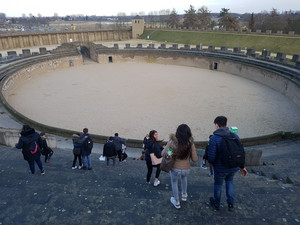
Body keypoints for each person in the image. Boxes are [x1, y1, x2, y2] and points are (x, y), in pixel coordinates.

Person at [207, 116, 248, 212]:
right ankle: (230, 204)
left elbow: (212, 156)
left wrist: (211, 163)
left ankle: (216, 203)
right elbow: (240, 152)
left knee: (218, 184)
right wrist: (242, 166)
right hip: (233, 166)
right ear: (227, 125)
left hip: (220, 168)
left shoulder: (214, 138)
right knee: (230, 182)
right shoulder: (235, 136)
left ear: (216, 125)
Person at [161, 124, 198, 209]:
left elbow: (163, 154)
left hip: (175, 169)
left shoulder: (173, 142)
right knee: (184, 178)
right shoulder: (190, 143)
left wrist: (169, 150)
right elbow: (195, 159)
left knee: (174, 182)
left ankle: (177, 202)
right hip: (186, 169)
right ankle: (184, 195)